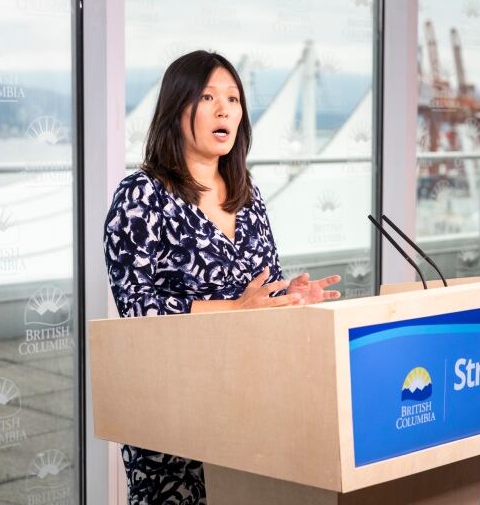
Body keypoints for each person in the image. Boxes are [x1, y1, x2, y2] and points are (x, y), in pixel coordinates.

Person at [103, 50, 341, 505]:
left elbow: (261, 291)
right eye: (208, 97)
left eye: (233, 99)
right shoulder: (141, 196)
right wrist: (235, 308)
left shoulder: (248, 196)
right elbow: (137, 307)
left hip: (250, 401)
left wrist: (288, 296)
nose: (224, 110)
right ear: (176, 110)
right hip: (173, 403)